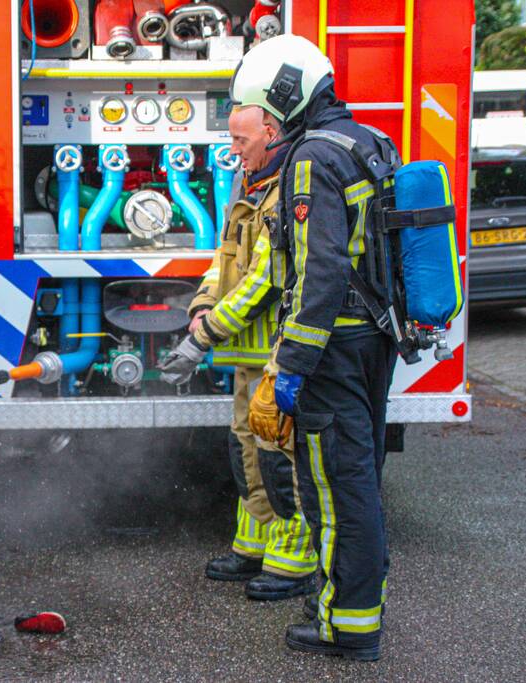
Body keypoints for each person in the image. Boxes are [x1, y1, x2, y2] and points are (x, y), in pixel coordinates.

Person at [236, 34, 401, 661]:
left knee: (336, 490)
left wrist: (292, 365)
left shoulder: (311, 159)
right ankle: (347, 601)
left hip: (332, 349)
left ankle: (348, 627)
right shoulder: (366, 141)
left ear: (285, 97)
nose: (265, 127)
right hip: (373, 340)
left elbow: (319, 273)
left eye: (264, 112)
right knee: (360, 480)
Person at [159, 101, 317, 601]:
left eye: (240, 141)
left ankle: (293, 562)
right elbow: (224, 260)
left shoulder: (286, 190)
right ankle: (254, 547)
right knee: (246, 448)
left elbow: (263, 282)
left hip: (278, 353)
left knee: (280, 453)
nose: (233, 151)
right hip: (248, 356)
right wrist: (203, 303)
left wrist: (202, 337)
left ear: (271, 132)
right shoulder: (249, 186)